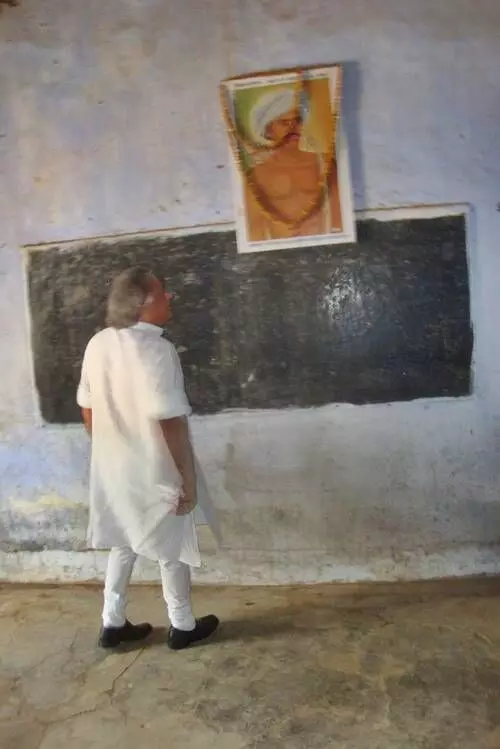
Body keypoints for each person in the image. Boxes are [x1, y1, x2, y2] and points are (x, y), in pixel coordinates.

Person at [76, 267, 220, 650]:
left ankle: (112, 621)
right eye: (162, 293)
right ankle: (182, 625)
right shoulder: (157, 349)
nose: (169, 297)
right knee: (170, 545)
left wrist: (112, 447)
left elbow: (87, 409)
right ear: (140, 304)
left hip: (114, 467)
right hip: (156, 465)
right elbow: (169, 420)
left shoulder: (98, 344)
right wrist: (185, 478)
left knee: (124, 540)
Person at [244, 86, 342, 241]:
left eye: (297, 121)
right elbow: (253, 229)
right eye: (284, 123)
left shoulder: (326, 165)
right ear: (267, 129)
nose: (293, 129)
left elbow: (340, 219)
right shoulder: (255, 176)